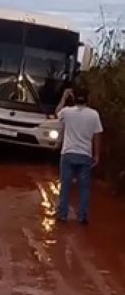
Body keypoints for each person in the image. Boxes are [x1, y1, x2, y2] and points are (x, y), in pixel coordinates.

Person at [56, 86, 103, 224]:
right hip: (85, 155)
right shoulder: (94, 114)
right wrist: (97, 155)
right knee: (84, 188)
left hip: (68, 154)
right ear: (87, 98)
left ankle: (62, 215)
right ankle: (82, 216)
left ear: (74, 97)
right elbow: (97, 135)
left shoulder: (67, 112)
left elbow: (56, 112)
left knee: (65, 186)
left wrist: (64, 97)